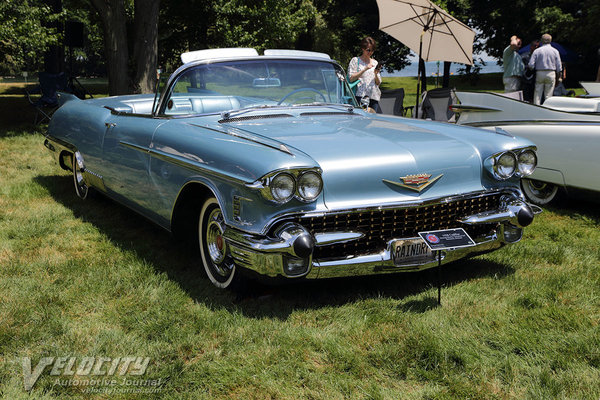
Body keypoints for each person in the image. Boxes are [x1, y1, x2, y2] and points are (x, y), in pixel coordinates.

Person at [348, 36, 382, 113]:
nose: (370, 52)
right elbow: (351, 78)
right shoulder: (355, 61)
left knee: (372, 121)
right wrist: (365, 69)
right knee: (360, 121)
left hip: (373, 96)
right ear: (362, 48)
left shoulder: (375, 62)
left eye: (372, 50)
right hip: (360, 96)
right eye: (368, 50)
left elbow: (378, 83)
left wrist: (376, 74)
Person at [528, 33, 562, 105]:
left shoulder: (537, 51)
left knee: (537, 93)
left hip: (539, 72)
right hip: (551, 72)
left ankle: (536, 108)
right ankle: (547, 108)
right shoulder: (555, 51)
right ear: (550, 41)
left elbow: (530, 65)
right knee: (548, 94)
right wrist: (559, 76)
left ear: (541, 41)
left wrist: (533, 68)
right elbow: (559, 66)